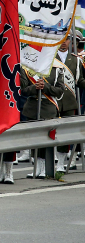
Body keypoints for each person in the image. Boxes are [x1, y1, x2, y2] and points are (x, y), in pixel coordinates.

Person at [20, 48, 65, 179]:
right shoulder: (27, 68)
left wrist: (45, 88)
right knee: (34, 139)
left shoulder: (57, 68)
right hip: (32, 106)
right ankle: (36, 168)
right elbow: (23, 90)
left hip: (48, 107)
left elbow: (60, 90)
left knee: (45, 140)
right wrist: (35, 88)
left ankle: (45, 167)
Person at [52, 33, 85, 173]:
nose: (64, 42)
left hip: (70, 101)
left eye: (66, 39)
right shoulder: (51, 59)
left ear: (71, 41)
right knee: (51, 132)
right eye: (61, 39)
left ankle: (60, 163)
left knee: (65, 134)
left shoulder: (76, 60)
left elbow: (80, 81)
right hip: (53, 101)